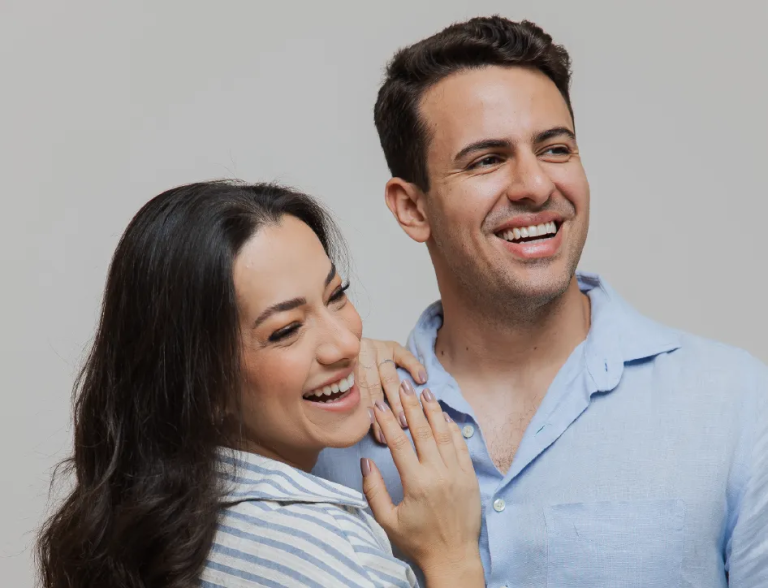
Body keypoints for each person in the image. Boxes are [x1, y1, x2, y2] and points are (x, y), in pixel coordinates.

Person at [313, 16, 768, 587]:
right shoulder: (333, 430)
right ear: (412, 207)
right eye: (486, 159)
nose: (534, 185)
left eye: (555, 149)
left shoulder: (736, 404)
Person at [36, 180, 485, 588]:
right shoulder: (326, 554)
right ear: (203, 387)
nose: (348, 344)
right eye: (286, 330)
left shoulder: (161, 530)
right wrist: (453, 559)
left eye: (336, 295)